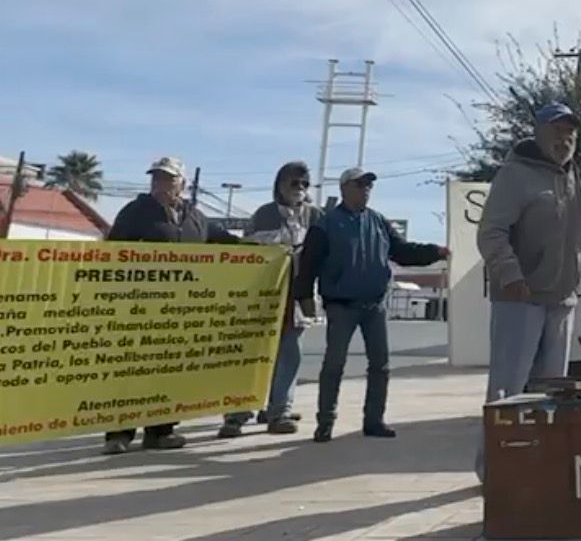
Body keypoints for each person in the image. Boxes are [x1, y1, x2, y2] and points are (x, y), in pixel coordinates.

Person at [474, 103, 581, 480]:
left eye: (570, 132)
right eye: (556, 130)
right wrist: (510, 276)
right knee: (509, 391)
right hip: (520, 299)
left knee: (551, 396)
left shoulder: (576, 178)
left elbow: (578, 235)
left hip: (562, 300)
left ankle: (538, 472)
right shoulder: (515, 176)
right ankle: (494, 473)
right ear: (537, 132)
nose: (564, 138)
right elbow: (490, 232)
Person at [294, 167, 448, 443]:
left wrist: (433, 252)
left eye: (368, 186)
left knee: (380, 365)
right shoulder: (326, 224)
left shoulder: (379, 222)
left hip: (374, 305)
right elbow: (309, 264)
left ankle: (374, 421)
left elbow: (402, 252)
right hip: (341, 306)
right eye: (359, 185)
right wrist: (305, 297)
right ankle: (325, 422)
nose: (365, 190)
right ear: (343, 189)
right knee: (334, 364)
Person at [102, 157, 241, 455]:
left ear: (182, 184)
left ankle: (161, 431)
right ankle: (119, 433)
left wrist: (266, 250)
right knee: (130, 373)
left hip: (178, 312)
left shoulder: (195, 217)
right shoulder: (136, 212)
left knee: (167, 372)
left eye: (167, 179)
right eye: (156, 178)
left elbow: (225, 241)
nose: (160, 184)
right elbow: (111, 252)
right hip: (138, 307)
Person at [218, 161, 324, 438]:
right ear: (279, 184)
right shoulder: (263, 215)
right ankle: (237, 413)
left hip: (297, 298)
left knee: (290, 354)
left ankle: (279, 411)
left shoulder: (316, 216)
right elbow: (247, 255)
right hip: (262, 298)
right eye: (293, 183)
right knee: (251, 355)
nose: (299, 188)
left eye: (304, 183)